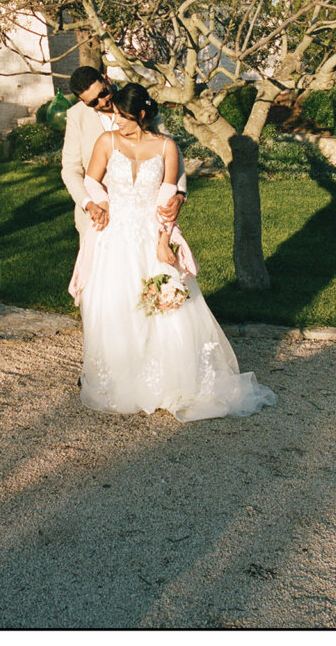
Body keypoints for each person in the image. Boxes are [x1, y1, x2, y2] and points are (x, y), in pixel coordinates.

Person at [68, 82, 277, 423]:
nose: (115, 121)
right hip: (114, 233)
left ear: (141, 114)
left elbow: (168, 198)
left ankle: (165, 378)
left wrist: (164, 241)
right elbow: (91, 180)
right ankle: (122, 376)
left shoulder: (167, 146)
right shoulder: (106, 141)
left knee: (164, 307)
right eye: (113, 115)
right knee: (114, 303)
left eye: (122, 116)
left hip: (151, 233)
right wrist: (98, 205)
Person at [61, 66, 187, 243]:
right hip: (99, 218)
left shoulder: (135, 99)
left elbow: (171, 150)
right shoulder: (76, 116)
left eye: (103, 93)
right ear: (83, 102)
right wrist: (88, 203)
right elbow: (70, 169)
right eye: (93, 103)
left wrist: (180, 193)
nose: (103, 102)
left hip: (146, 217)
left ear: (107, 79)